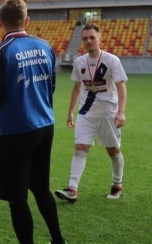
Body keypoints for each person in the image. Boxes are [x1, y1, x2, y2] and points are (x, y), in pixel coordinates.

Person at [0, 0, 72, 244]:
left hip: (16, 129)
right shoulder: (45, 46)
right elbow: (51, 87)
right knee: (39, 186)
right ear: (27, 21)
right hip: (45, 124)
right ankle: (59, 243)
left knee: (17, 196)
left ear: (0, 23)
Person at [55, 23, 128, 202]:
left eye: (92, 37)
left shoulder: (112, 60)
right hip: (86, 113)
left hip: (108, 113)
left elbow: (121, 86)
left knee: (113, 151)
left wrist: (121, 112)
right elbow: (76, 88)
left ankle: (117, 184)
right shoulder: (79, 62)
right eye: (85, 38)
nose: (88, 41)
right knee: (80, 148)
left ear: (100, 38)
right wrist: (71, 112)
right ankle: (72, 188)